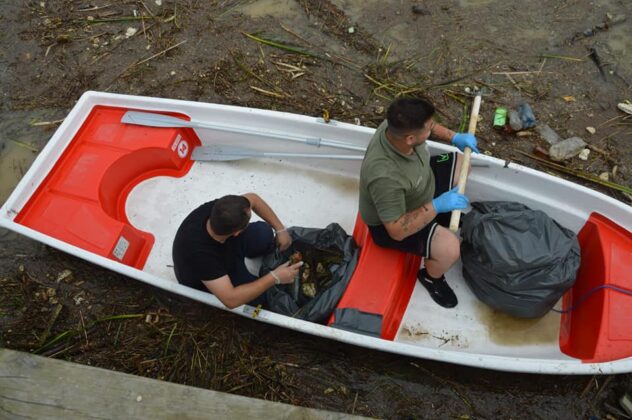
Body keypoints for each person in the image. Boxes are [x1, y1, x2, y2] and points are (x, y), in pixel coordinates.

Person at [359, 97, 479, 308]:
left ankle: (438, 216)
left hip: (420, 183)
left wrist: (454, 137)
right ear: (410, 139)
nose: (433, 128)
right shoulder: (385, 177)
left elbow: (427, 125)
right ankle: (431, 278)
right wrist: (436, 206)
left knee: (463, 164)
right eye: (429, 128)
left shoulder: (395, 124)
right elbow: (396, 230)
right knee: (450, 249)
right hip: (395, 224)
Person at [172, 193, 303, 309]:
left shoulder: (220, 210)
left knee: (263, 233)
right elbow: (231, 300)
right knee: (262, 295)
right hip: (211, 276)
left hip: (225, 243)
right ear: (237, 232)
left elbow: (253, 198)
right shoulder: (202, 257)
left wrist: (280, 229)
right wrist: (274, 277)